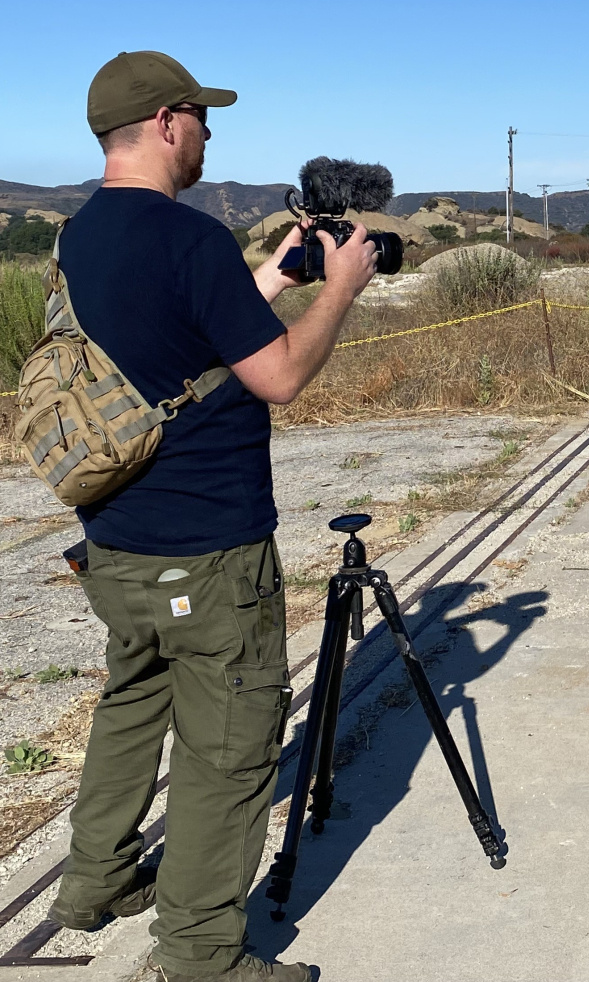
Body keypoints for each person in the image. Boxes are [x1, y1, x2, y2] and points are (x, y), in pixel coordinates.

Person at [47, 51, 377, 981]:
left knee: (131, 702)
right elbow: (276, 377)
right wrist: (340, 288)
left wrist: (270, 281)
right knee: (229, 747)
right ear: (163, 122)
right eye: (199, 114)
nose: (208, 130)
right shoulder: (187, 238)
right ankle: (198, 954)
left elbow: (175, 344)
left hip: (116, 540)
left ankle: (95, 881)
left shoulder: (78, 238)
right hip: (208, 550)